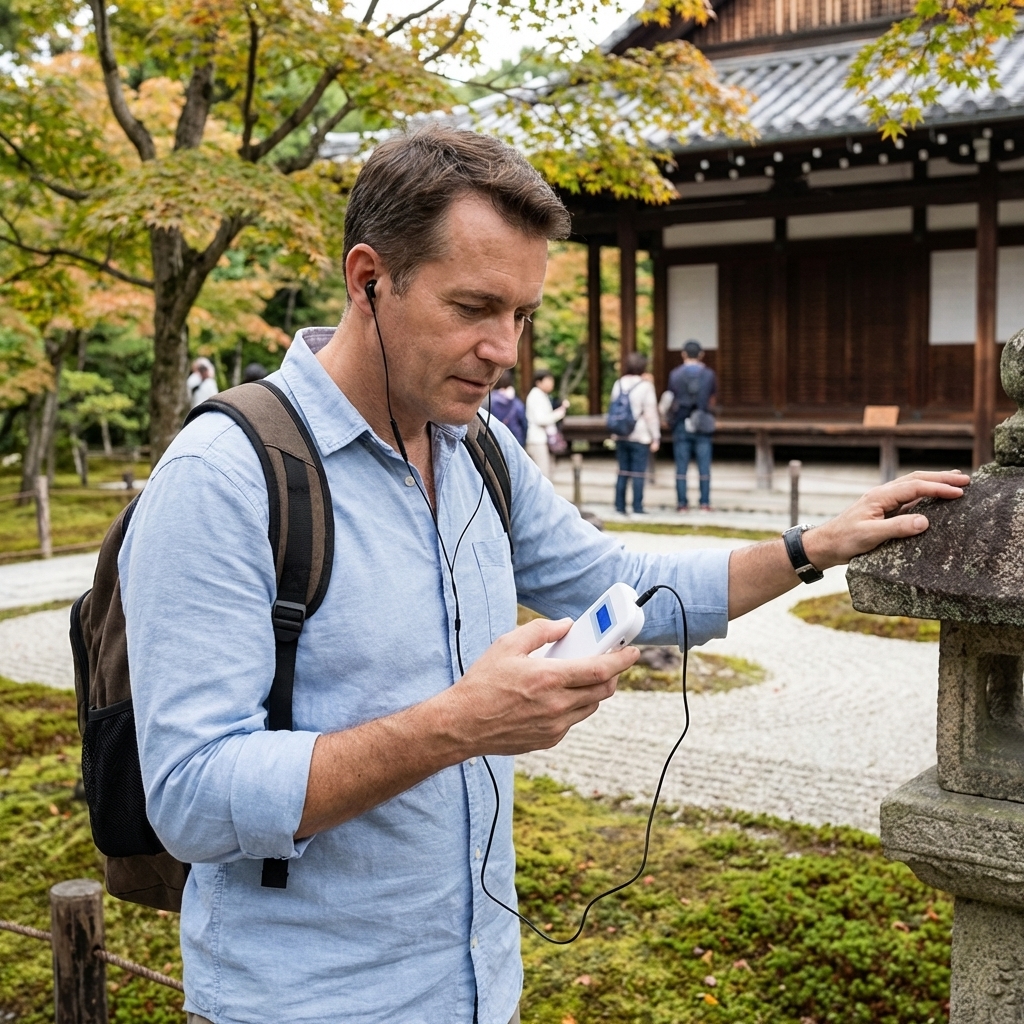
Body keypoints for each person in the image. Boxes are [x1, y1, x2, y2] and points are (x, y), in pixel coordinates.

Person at [119, 124, 968, 1024]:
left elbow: (617, 573)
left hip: (481, 986)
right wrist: (458, 723)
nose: (505, 349)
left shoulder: (475, 446)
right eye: (473, 307)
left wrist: (809, 548)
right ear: (368, 279)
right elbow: (191, 797)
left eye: (520, 315)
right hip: (303, 1002)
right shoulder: (225, 475)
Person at [664, 340, 717, 511]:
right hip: (702, 422)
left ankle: (682, 504)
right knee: (704, 466)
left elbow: (671, 399)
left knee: (681, 467)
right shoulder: (709, 374)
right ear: (701, 354)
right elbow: (712, 399)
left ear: (683, 354)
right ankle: (704, 503)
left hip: (681, 422)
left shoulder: (675, 374)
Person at [609, 352, 659, 515]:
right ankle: (637, 506)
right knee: (638, 472)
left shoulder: (619, 383)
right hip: (640, 434)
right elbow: (650, 413)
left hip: (621, 433)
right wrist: (655, 436)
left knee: (623, 470)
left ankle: (619, 505)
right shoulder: (645, 386)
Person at [525, 368, 567, 478]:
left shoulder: (542, 395)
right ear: (538, 382)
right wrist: (559, 413)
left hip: (541, 439)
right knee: (543, 475)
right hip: (537, 440)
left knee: (545, 473)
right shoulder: (536, 395)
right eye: (548, 380)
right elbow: (541, 419)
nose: (551, 383)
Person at [487, 368, 528, 447]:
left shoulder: (489, 400)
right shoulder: (515, 401)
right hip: (515, 439)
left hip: (495, 440)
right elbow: (524, 422)